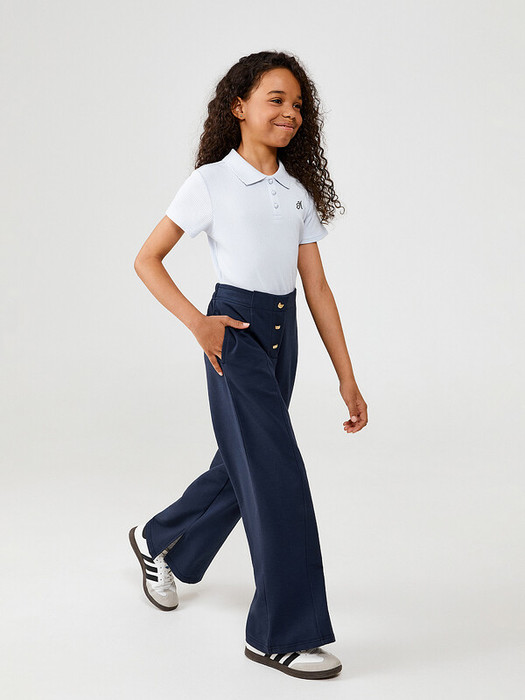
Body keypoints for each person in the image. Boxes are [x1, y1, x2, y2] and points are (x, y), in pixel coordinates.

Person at [128, 50, 368, 680]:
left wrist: (346, 376)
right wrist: (199, 323)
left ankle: (160, 540)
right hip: (232, 331)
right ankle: (279, 633)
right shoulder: (210, 182)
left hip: (283, 335)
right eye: (275, 99)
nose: (290, 112)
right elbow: (147, 258)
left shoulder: (296, 193)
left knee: (245, 464)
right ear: (238, 106)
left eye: (298, 104)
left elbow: (317, 288)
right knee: (277, 474)